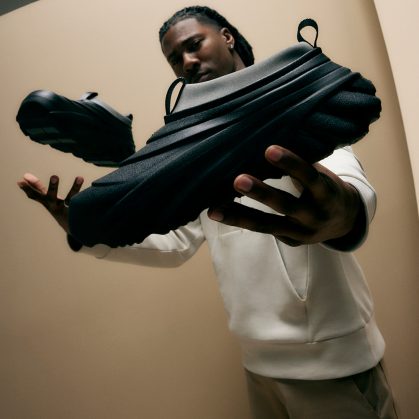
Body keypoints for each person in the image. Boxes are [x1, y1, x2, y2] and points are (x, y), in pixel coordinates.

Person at [17, 6, 397, 419]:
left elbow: (348, 182)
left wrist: (346, 214)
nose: (186, 62)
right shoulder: (196, 157)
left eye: (193, 44)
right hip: (259, 367)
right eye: (174, 59)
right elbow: (177, 242)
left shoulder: (298, 115)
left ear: (227, 37)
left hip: (338, 368)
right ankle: (132, 164)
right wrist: (85, 231)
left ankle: (143, 154)